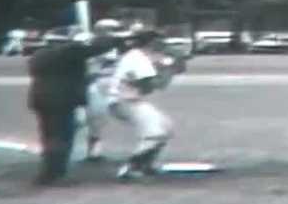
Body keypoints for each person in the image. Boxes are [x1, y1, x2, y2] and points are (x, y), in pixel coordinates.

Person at [27, 32, 119, 186]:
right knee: (62, 138)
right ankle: (54, 174)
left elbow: (63, 74)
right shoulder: (69, 52)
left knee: (49, 136)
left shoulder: (39, 55)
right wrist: (109, 39)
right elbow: (98, 48)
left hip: (42, 100)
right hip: (61, 102)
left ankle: (48, 172)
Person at [111, 26, 176, 180]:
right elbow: (154, 85)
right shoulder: (137, 58)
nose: (162, 43)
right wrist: (168, 68)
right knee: (155, 133)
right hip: (124, 100)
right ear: (150, 42)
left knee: (166, 128)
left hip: (130, 100)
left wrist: (165, 68)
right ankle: (129, 168)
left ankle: (145, 165)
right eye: (158, 40)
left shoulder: (140, 55)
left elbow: (155, 85)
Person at [79, 19, 125, 161]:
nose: (114, 33)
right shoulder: (86, 42)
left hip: (104, 85)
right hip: (87, 84)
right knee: (83, 119)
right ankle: (62, 147)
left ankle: (94, 151)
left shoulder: (116, 46)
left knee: (98, 117)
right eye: (110, 30)